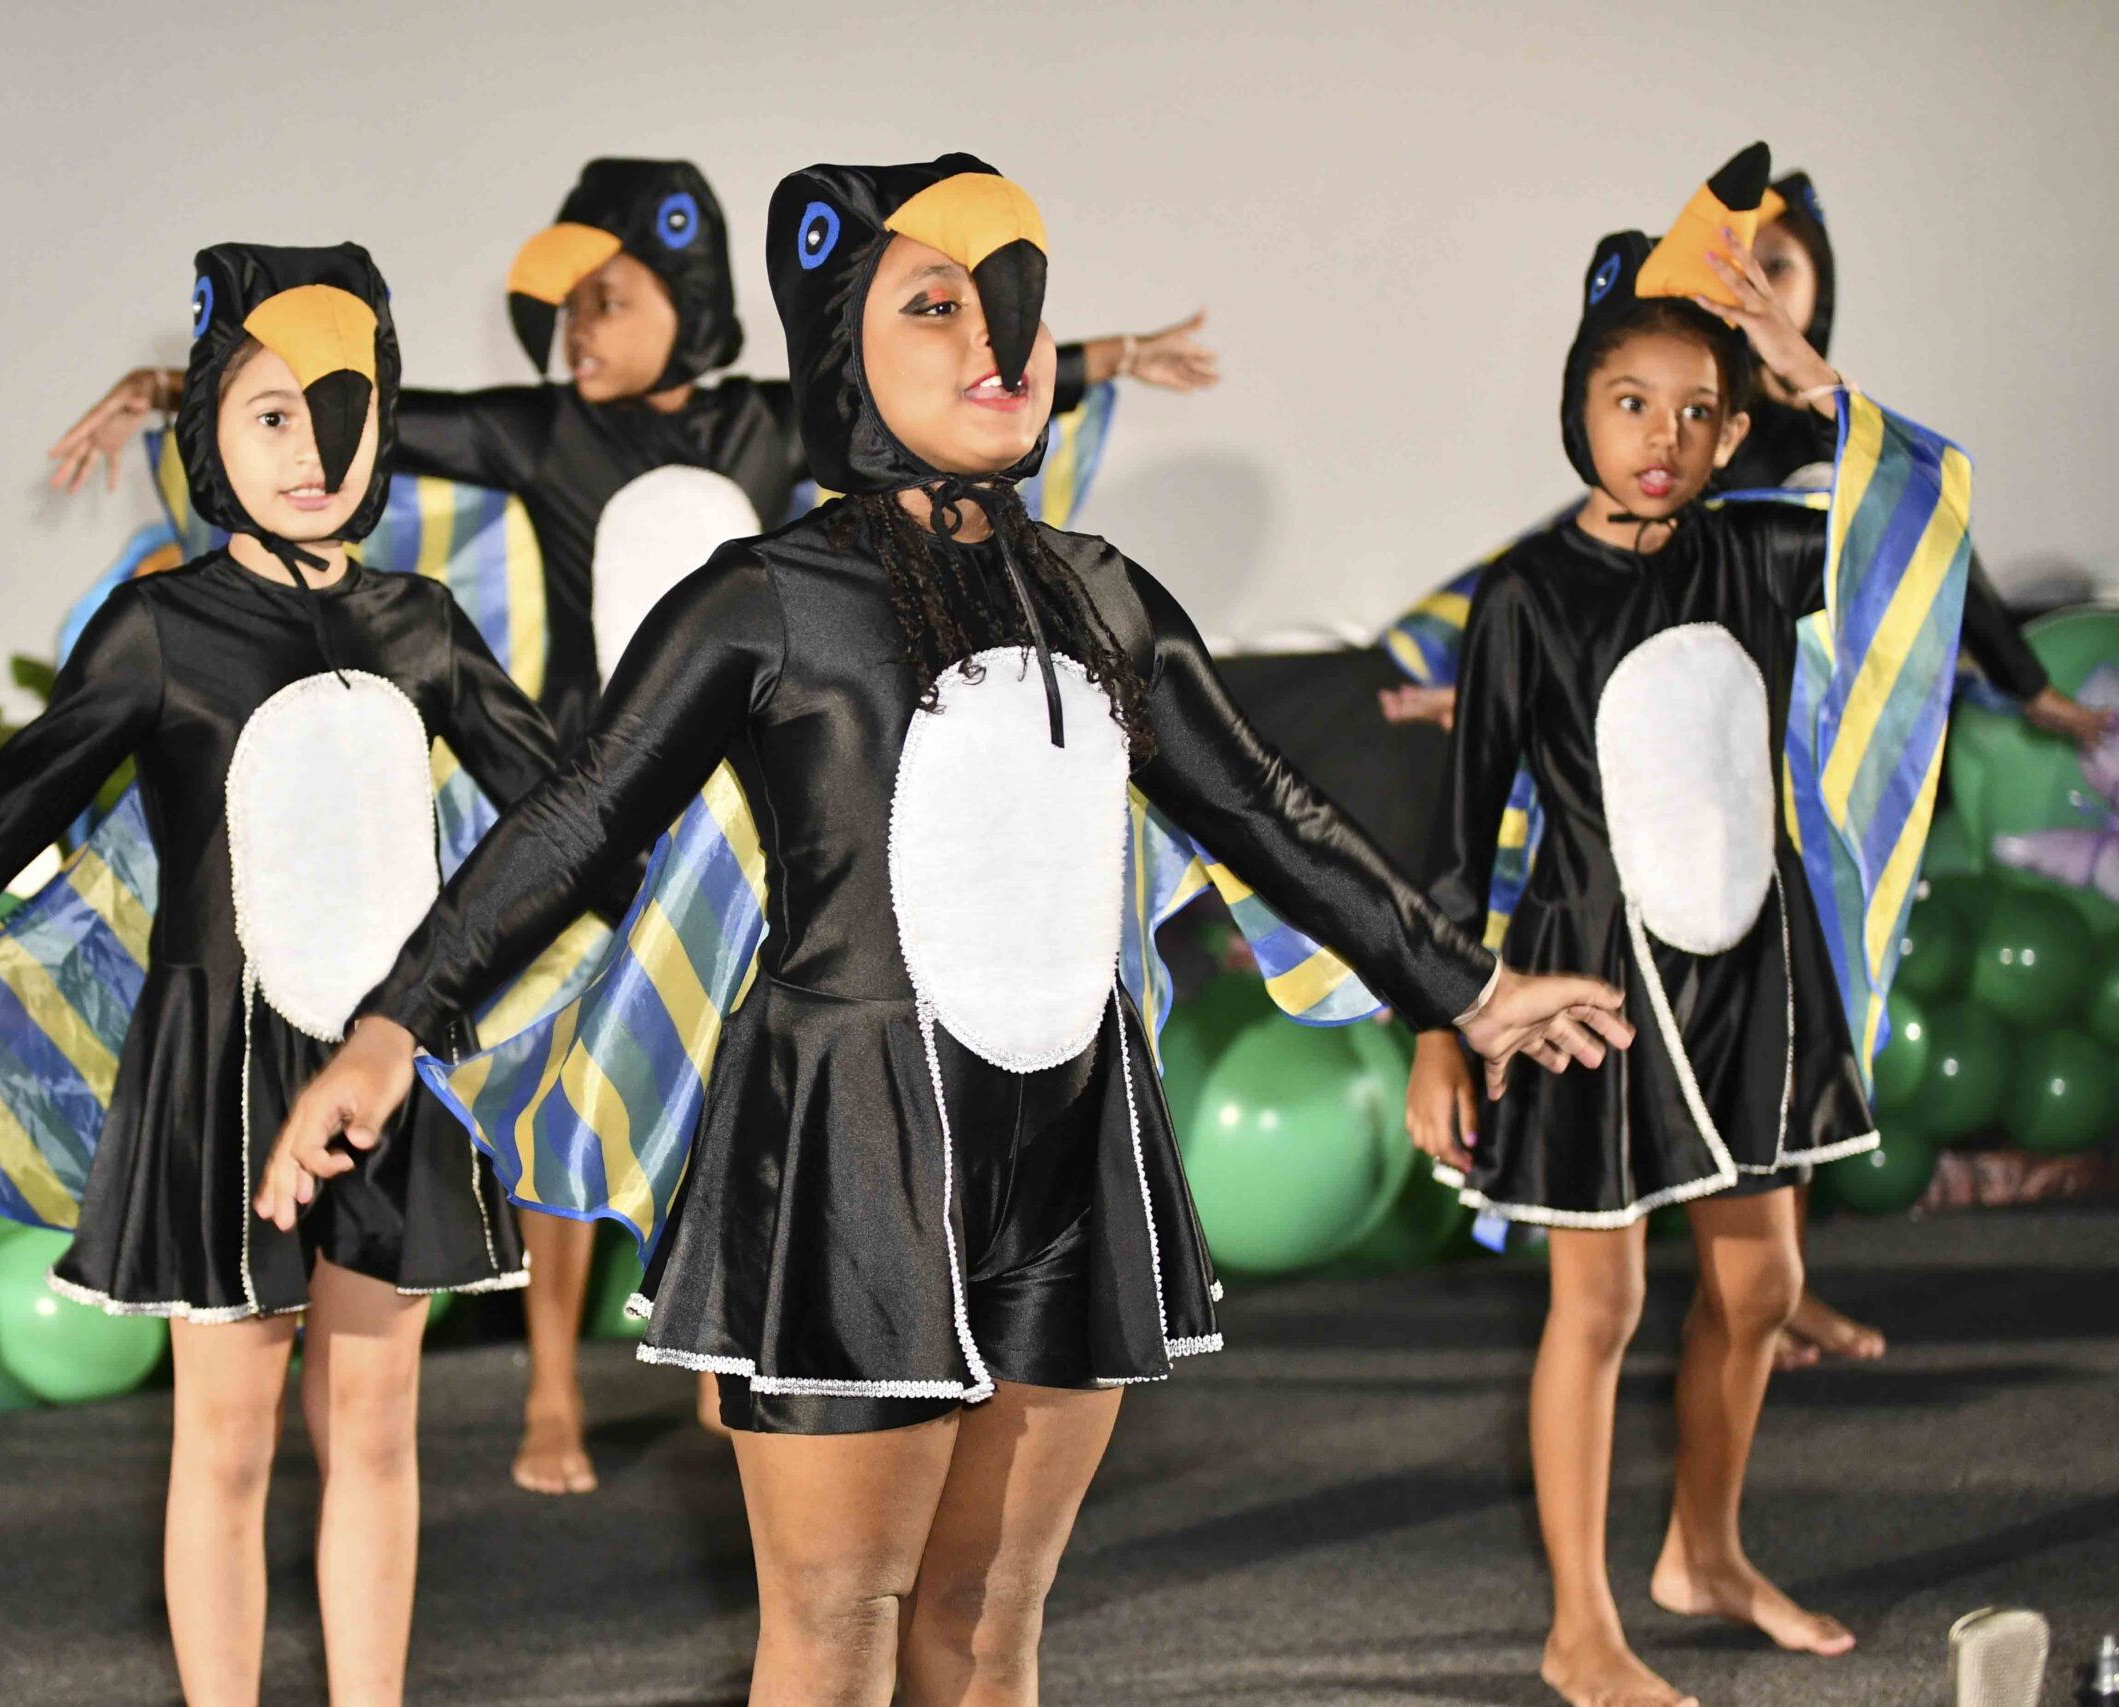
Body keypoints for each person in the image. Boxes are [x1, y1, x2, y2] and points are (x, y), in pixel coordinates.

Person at [264, 154, 1630, 1707]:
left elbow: (1264, 809)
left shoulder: (1103, 595)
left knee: (988, 1620)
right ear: (842, 351)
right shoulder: (766, 597)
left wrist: (1472, 989)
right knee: (839, 1627)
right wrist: (394, 1026)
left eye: (1015, 306)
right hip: (850, 1152)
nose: (999, 339)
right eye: (937, 306)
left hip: (1071, 1139)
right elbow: (580, 817)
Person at [46, 156, 1223, 1495]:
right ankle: (554, 1385)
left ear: (688, 294)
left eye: (605, 302)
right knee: (578, 1063)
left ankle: (751, 1334)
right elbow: (372, 418)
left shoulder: (772, 422)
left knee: (750, 1076)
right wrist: (180, 388)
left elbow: (961, 365)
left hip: (747, 829)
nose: (577, 336)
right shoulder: (546, 435)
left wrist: (1112, 353)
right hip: (592, 796)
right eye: (563, 314)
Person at [0, 244, 558, 1707]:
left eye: (343, 410)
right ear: (211, 426)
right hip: (221, 1073)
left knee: (378, 1424)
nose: (314, 449)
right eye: (273, 413)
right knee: (225, 1443)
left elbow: (569, 817)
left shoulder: (424, 625)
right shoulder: (164, 630)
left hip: (396, 1070)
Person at [1405, 145, 1972, 1707]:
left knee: (1763, 1293)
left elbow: (1917, 522)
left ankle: (1704, 1553)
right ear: (1578, 409)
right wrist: (1442, 1028)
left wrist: (1809, 371)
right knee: (1599, 1305)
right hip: (1587, 983)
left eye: (1698, 410)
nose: (1663, 437)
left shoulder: (1765, 552)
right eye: (1630, 401)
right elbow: (1458, 832)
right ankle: (1580, 1625)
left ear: (1736, 428)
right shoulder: (1524, 594)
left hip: (1755, 975)